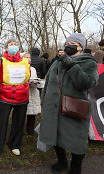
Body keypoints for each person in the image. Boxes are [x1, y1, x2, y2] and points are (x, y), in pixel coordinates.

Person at [38, 33, 98, 174]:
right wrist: (44, 101)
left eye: (73, 43)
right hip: (53, 108)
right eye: (67, 43)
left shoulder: (89, 62)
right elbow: (49, 82)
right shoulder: (57, 61)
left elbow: (88, 83)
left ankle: (76, 167)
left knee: (77, 140)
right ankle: (62, 162)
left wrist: (71, 65)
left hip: (74, 108)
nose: (68, 45)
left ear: (81, 46)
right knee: (55, 136)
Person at [0, 38, 30, 158]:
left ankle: (15, 145)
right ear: (6, 48)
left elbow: (27, 78)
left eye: (15, 44)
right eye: (10, 44)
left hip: (22, 97)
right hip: (5, 97)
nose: (13, 46)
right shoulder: (0, 62)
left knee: (18, 122)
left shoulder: (26, 61)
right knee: (1, 122)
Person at [23, 53, 41, 136]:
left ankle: (30, 129)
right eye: (26, 57)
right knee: (22, 112)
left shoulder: (33, 69)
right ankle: (19, 129)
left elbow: (35, 78)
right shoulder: (19, 68)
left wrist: (37, 80)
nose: (28, 58)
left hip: (33, 92)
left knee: (32, 112)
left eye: (29, 57)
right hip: (23, 93)